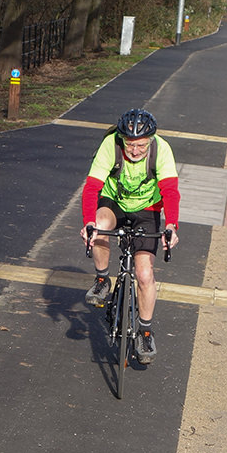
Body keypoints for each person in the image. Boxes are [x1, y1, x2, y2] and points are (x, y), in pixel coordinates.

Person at [80, 108, 180, 363]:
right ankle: (103, 280)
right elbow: (92, 187)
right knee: (100, 226)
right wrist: (88, 223)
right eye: (130, 144)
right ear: (122, 139)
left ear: (151, 140)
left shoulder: (161, 150)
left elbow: (170, 191)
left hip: (147, 210)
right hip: (113, 202)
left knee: (144, 273)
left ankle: (145, 332)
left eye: (142, 145)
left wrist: (171, 226)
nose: (135, 151)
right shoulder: (109, 145)